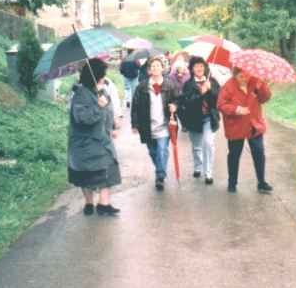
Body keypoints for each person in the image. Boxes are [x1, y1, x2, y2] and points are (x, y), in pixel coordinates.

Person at [67, 58, 121, 216]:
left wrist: (112, 126)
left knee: (108, 169)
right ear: (95, 76)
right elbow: (83, 119)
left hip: (101, 141)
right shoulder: (80, 95)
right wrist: (98, 106)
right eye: (102, 74)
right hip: (85, 144)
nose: (104, 78)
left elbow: (107, 111)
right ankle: (89, 203)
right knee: (86, 174)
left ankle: (103, 204)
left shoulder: (99, 91)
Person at [217, 66, 274, 194]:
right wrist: (236, 109)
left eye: (247, 76)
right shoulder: (228, 86)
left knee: (259, 152)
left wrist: (263, 86)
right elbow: (221, 105)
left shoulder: (255, 81)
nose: (245, 79)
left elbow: (264, 98)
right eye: (241, 77)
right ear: (235, 75)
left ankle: (261, 182)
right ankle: (232, 182)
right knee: (234, 155)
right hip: (235, 126)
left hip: (254, 124)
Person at [131, 56, 179, 191]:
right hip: (147, 126)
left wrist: (175, 106)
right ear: (149, 70)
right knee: (153, 152)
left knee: (162, 150)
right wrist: (134, 124)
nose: (155, 68)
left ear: (162, 69)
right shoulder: (142, 87)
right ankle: (160, 168)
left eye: (158, 66)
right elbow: (135, 106)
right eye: (152, 66)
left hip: (164, 125)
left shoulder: (170, 85)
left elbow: (178, 99)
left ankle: (160, 176)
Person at [178, 56, 220, 184]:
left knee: (208, 143)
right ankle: (198, 166)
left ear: (205, 68)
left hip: (209, 118)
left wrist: (210, 90)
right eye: (196, 66)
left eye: (201, 66)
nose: (199, 68)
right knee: (197, 147)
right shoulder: (188, 84)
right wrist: (201, 93)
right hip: (194, 119)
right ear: (192, 69)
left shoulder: (212, 81)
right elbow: (187, 103)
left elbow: (219, 101)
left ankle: (208, 172)